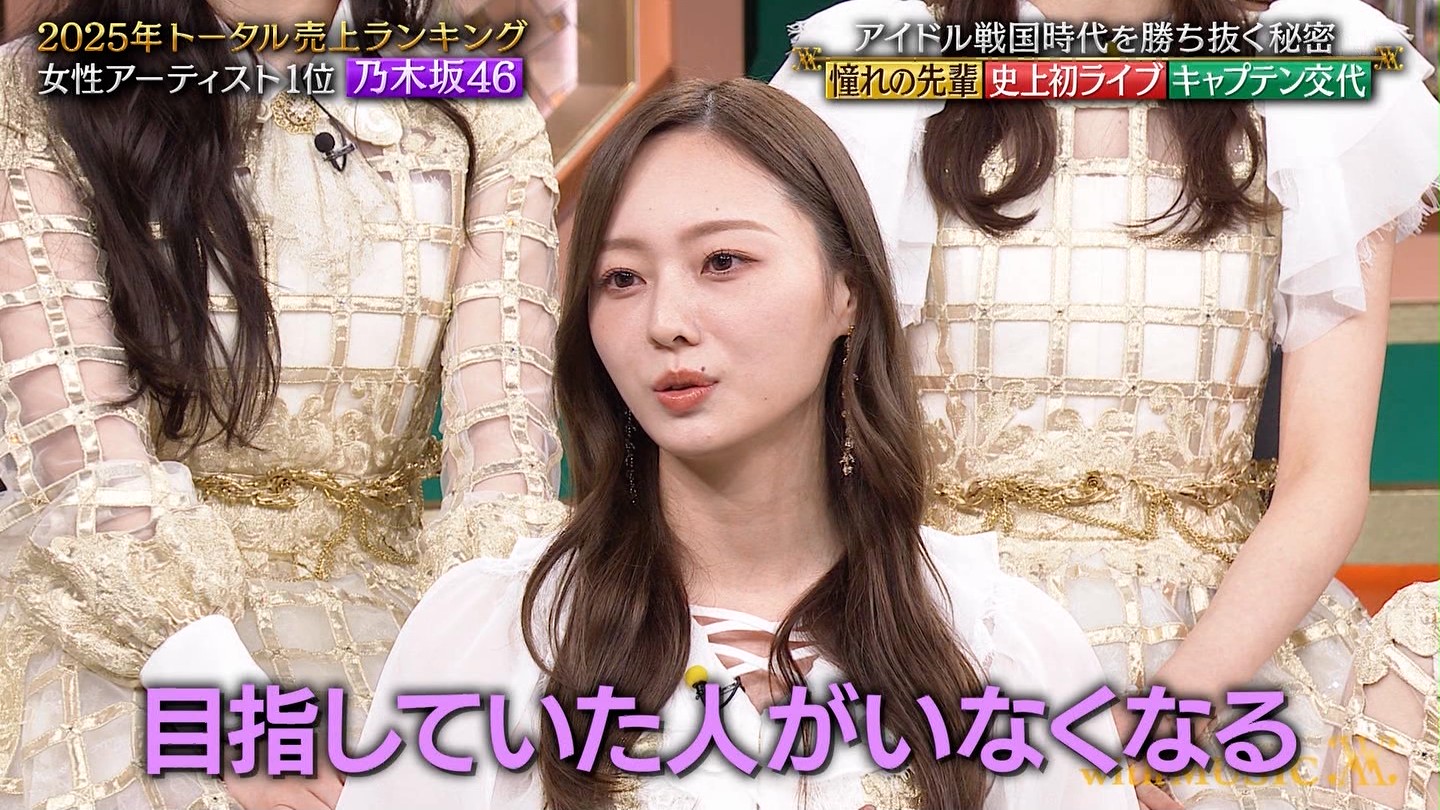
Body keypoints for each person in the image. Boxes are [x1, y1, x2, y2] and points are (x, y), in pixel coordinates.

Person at [336, 78, 1140, 810]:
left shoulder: (999, 643)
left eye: (723, 261)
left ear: (850, 291)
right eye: (622, 279)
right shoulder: (497, 638)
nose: (665, 322)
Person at [771, 0, 1439, 808]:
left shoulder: (1322, 77)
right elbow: (802, 439)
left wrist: (1172, 714)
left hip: (1223, 651)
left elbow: (1323, 478)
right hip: (929, 632)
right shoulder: (870, 66)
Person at [0, 0, 565, 807]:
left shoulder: (478, 104)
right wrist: (222, 703)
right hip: (135, 626)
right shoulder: (40, 91)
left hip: (408, 626)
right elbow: (80, 448)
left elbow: (505, 464)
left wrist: (480, 682)